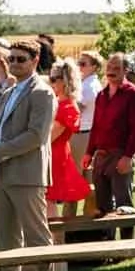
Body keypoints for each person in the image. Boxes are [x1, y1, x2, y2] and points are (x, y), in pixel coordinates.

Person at [0, 38, 56, 271]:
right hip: (2, 173)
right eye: (11, 59)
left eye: (21, 59)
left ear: (35, 60)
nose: (15, 63)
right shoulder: (10, 92)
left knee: (37, 236)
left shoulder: (42, 92)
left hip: (27, 173)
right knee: (7, 234)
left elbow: (36, 136)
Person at [83, 52, 135, 216]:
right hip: (100, 157)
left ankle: (128, 235)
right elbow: (96, 127)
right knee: (102, 208)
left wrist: (128, 157)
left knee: (124, 208)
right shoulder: (101, 95)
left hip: (120, 155)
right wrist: (89, 153)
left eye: (116, 68)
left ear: (126, 70)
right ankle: (107, 234)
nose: (111, 71)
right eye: (109, 67)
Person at [47, 59, 91, 219]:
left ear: (65, 81)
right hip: (53, 153)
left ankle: (55, 235)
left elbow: (49, 137)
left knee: (49, 199)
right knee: (45, 200)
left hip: (54, 155)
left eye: (54, 79)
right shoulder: (58, 102)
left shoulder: (67, 107)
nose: (50, 83)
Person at [72, 49, 103, 171]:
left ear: (94, 67)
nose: (79, 67)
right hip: (85, 133)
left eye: (83, 64)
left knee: (76, 171)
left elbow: (76, 110)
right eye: (78, 63)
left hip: (82, 134)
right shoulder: (88, 83)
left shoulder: (88, 87)